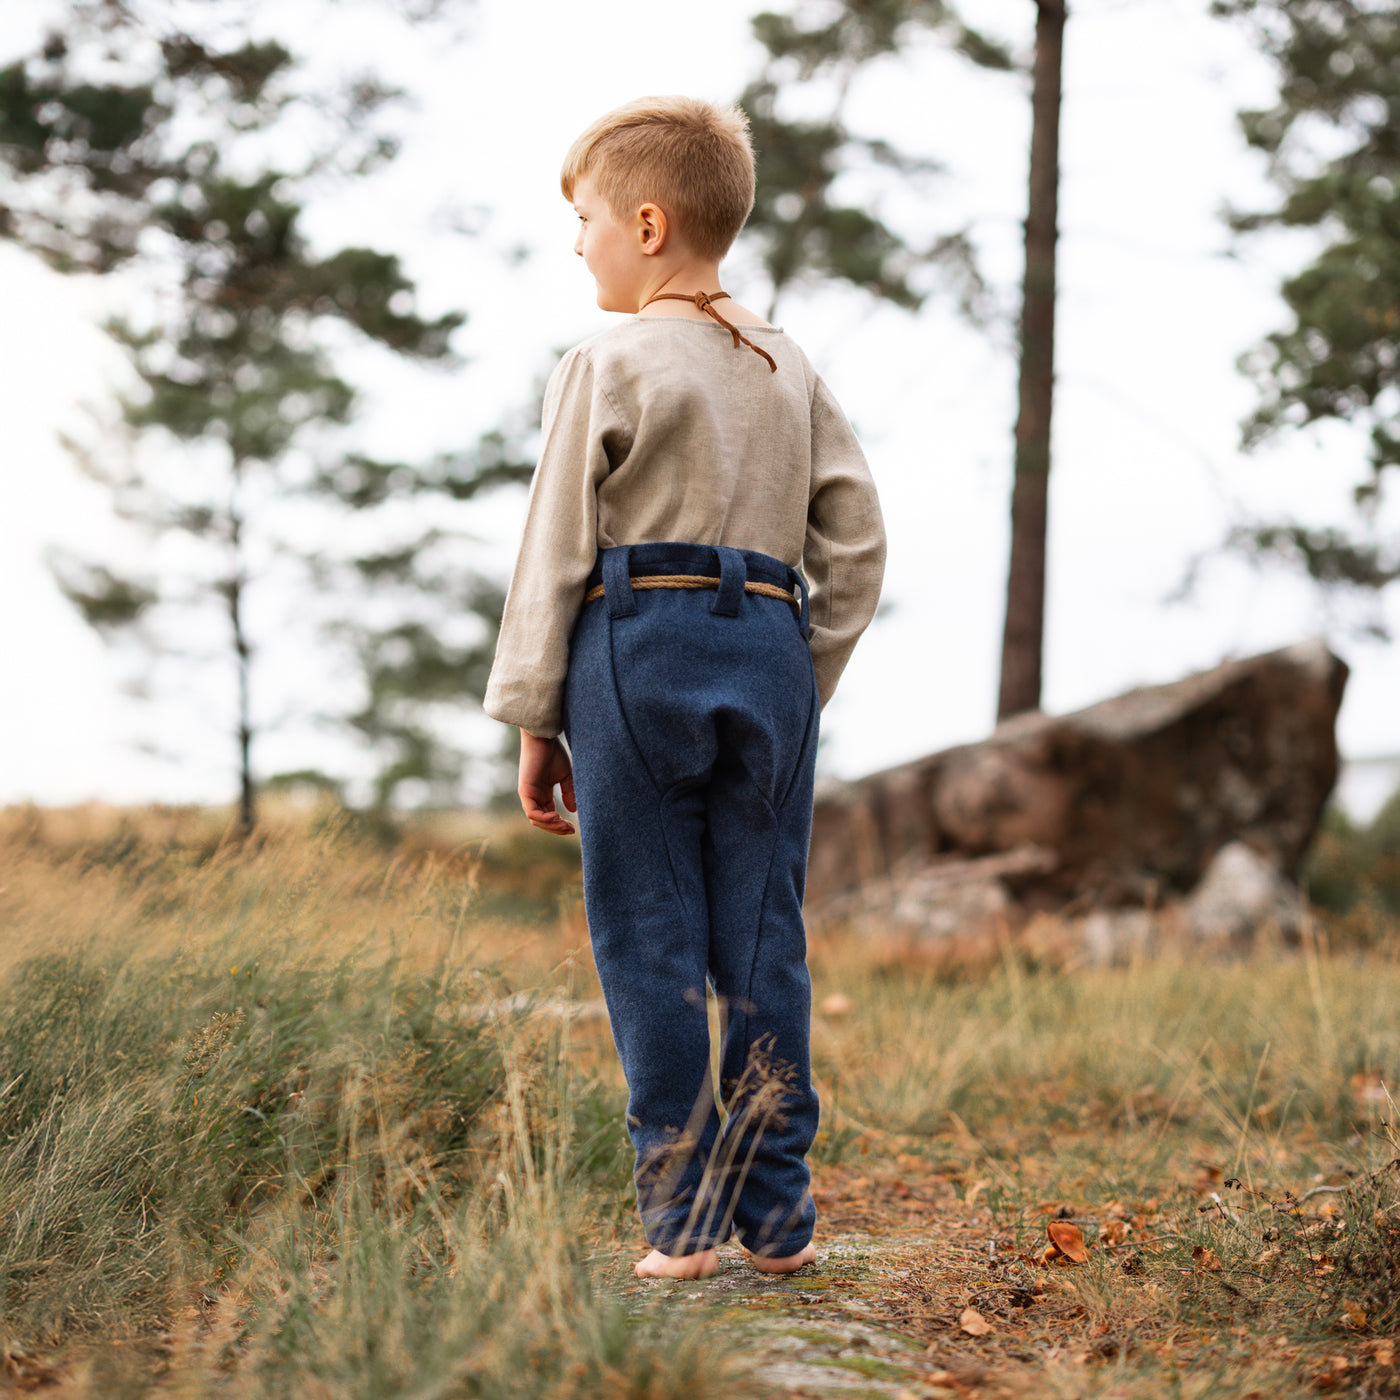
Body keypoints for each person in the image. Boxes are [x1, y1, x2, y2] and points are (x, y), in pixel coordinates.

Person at [483, 96, 885, 1281]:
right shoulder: (788, 364)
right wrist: (800, 672)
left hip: (636, 643)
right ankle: (778, 1217)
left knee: (647, 930)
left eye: (586, 220)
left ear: (648, 225)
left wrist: (535, 713)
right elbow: (855, 539)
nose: (578, 244)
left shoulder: (602, 361)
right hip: (767, 638)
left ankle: (683, 1223)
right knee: (762, 931)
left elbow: (554, 546)